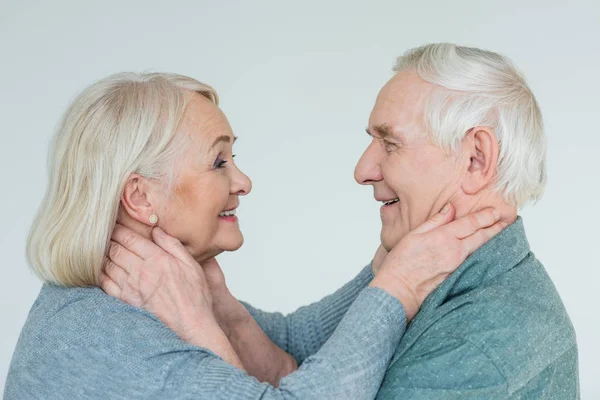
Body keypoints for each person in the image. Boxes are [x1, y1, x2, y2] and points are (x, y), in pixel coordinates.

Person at [103, 43, 579, 399]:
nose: (362, 170)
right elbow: (301, 356)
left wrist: (196, 325)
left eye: (390, 143)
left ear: (476, 158)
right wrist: (216, 303)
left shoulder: (481, 341)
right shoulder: (423, 264)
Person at [4, 71, 502, 399]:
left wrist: (219, 310)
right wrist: (401, 284)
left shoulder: (143, 294)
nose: (242, 181)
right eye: (218, 161)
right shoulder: (105, 330)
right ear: (140, 198)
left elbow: (294, 343)